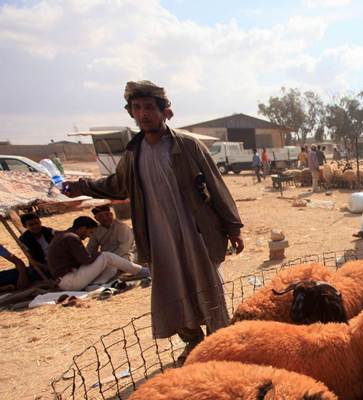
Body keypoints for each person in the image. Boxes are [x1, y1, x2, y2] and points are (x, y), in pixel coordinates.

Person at [63, 80, 243, 357]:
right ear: (131, 113)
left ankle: (219, 345)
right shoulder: (134, 153)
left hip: (195, 233)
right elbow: (117, 185)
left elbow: (217, 186)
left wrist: (233, 228)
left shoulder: (188, 146)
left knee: (208, 286)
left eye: (149, 107)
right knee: (173, 288)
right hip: (158, 237)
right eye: (137, 108)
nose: (143, 113)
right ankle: (193, 343)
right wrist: (83, 186)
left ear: (164, 112)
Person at [46, 216, 149, 292]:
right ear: (83, 228)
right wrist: (98, 254)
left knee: (111, 265)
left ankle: (95, 285)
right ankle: (143, 271)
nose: (88, 236)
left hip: (66, 281)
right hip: (69, 281)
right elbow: (85, 260)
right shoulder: (71, 238)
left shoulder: (64, 236)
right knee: (106, 256)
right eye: (89, 232)